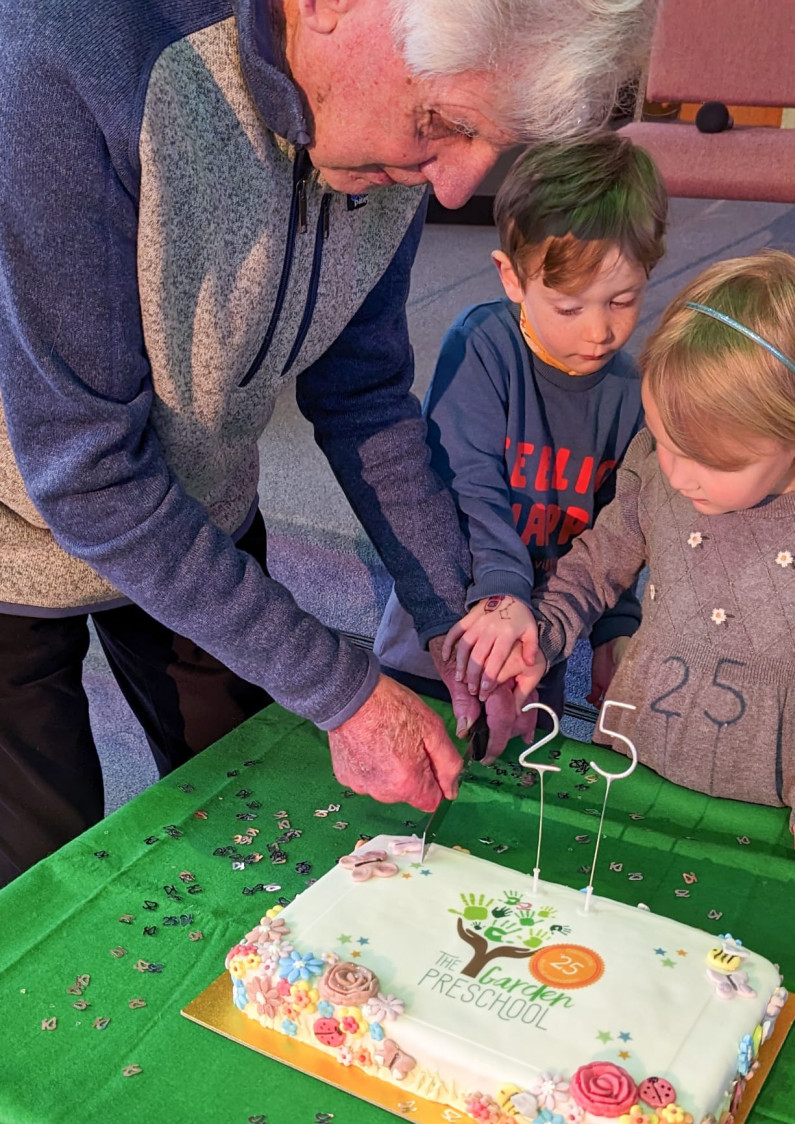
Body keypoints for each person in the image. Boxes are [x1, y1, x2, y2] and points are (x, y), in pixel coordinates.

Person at [0, 0, 655, 886]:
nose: (459, 186)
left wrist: (454, 616)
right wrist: (344, 690)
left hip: (198, 505)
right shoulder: (65, 59)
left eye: (490, 145)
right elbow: (91, 482)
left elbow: (363, 390)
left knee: (242, 804)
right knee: (43, 873)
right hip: (17, 530)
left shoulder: (400, 146)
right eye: (444, 124)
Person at [451, 250, 795, 885]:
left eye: (707, 460)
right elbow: (598, 563)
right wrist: (541, 635)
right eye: (663, 440)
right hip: (636, 749)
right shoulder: (664, 468)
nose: (677, 476)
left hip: (770, 789)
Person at [375, 133, 668, 714]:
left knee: (519, 779)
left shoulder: (633, 390)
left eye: (623, 300)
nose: (598, 332)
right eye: (569, 306)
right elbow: (468, 490)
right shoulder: (483, 344)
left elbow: (620, 525)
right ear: (511, 278)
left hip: (538, 641)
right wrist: (504, 591)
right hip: (452, 629)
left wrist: (617, 629)